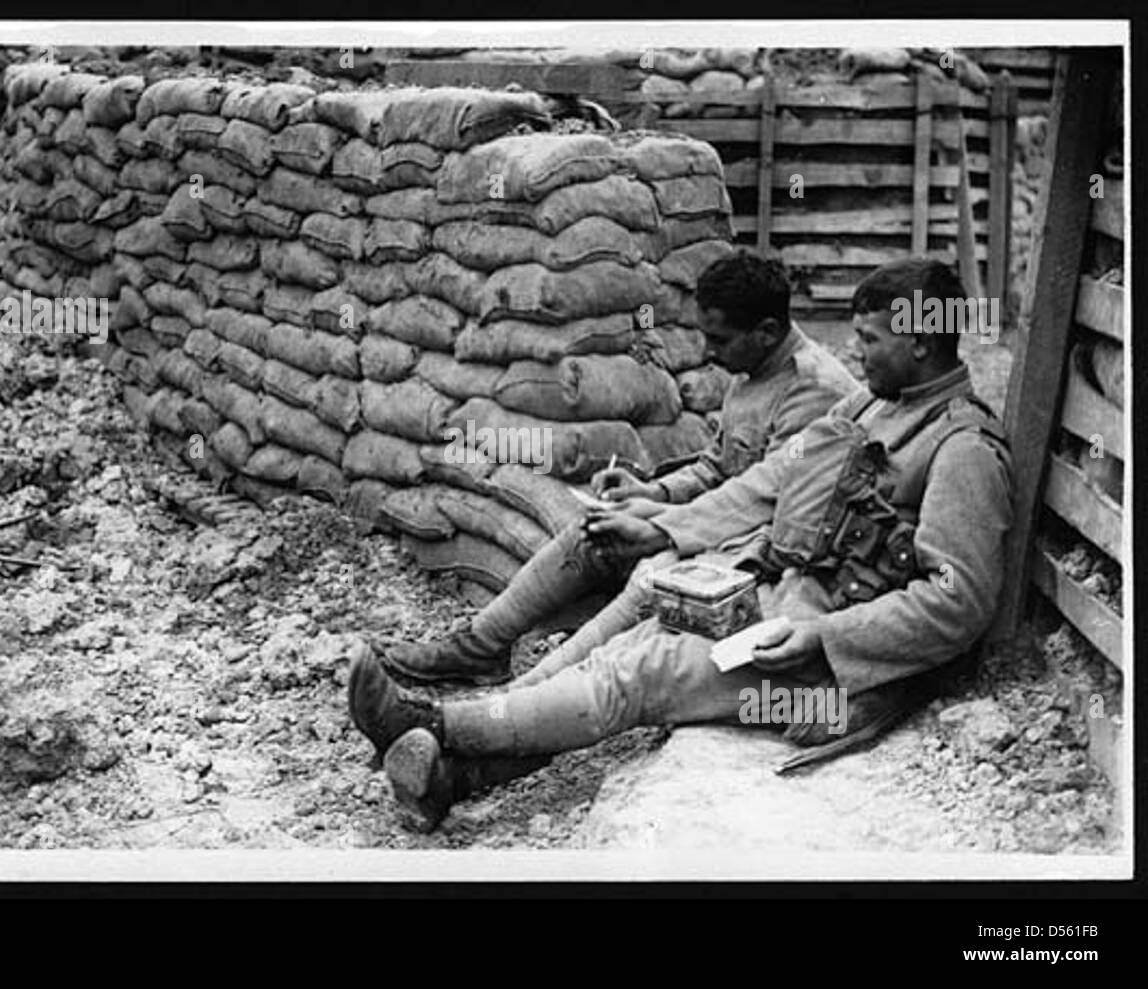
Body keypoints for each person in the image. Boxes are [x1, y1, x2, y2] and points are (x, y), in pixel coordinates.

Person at [348, 257, 1014, 831]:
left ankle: (434, 721)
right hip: (781, 603)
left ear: (921, 342)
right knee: (630, 644)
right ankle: (452, 778)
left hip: (838, 673)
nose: (856, 351)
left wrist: (825, 636)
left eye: (870, 339)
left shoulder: (962, 449)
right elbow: (762, 483)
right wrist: (662, 521)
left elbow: (958, 602)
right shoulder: (871, 408)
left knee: (646, 673)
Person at [378, 249, 858, 688]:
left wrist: (661, 528)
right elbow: (715, 469)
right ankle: (478, 648)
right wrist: (650, 493)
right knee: (593, 535)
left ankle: (530, 694)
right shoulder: (750, 373)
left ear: (768, 331)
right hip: (715, 525)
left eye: (720, 339)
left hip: (764, 549)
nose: (709, 352)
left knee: (652, 576)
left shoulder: (813, 391)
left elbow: (761, 496)